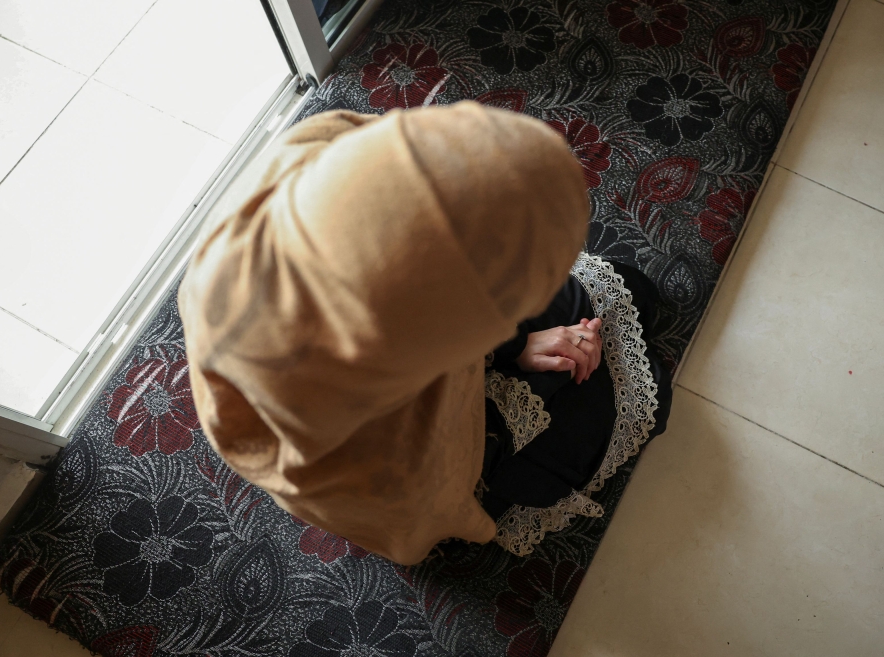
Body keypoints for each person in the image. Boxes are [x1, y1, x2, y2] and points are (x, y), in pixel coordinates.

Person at [178, 101, 670, 565]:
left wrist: (516, 344)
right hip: (419, 445)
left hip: (405, 356)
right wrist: (522, 369)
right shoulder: (386, 459)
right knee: (626, 393)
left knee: (599, 303)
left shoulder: (318, 149)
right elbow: (441, 490)